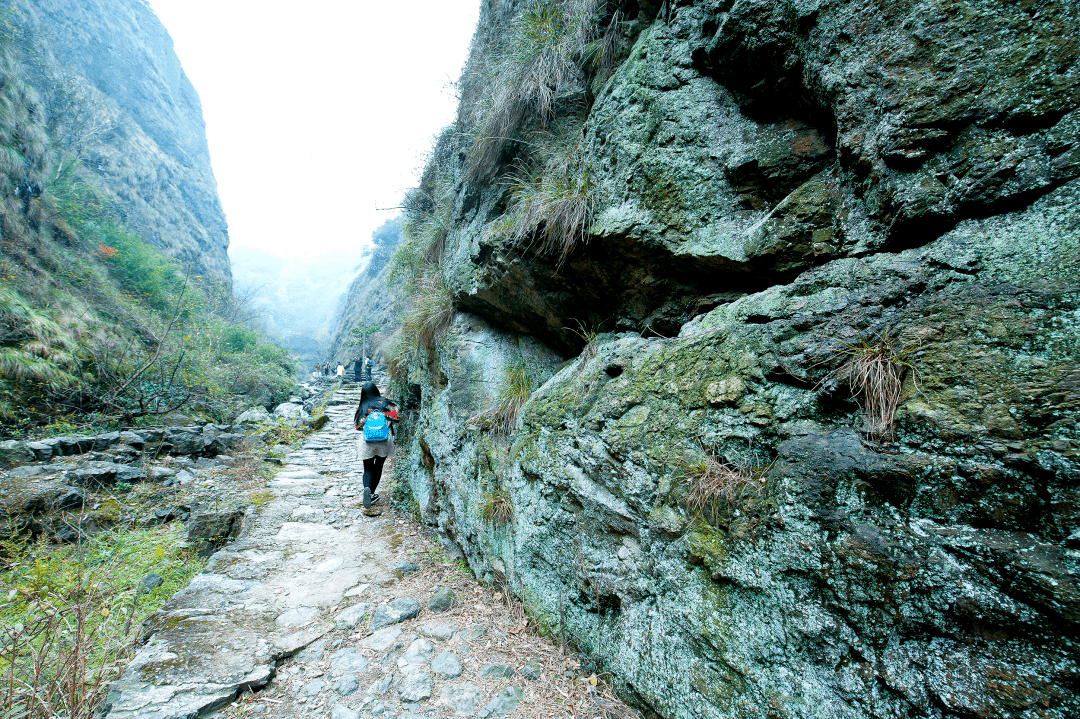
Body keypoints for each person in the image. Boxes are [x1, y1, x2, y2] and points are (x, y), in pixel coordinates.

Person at [353, 382, 397, 508]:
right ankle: (371, 494)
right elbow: (396, 417)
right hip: (384, 440)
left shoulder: (363, 407)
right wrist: (383, 417)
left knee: (367, 468)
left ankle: (367, 490)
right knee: (378, 467)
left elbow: (358, 427)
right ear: (376, 390)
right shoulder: (387, 403)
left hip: (367, 442)